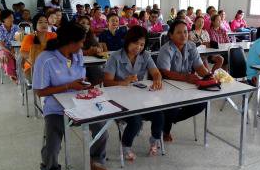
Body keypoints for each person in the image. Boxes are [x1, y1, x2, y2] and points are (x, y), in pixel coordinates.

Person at [33, 23, 109, 170]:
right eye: (81, 41)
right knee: (52, 144)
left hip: (80, 103)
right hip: (56, 108)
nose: (83, 45)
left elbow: (79, 76)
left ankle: (95, 160)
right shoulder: (45, 59)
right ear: (70, 42)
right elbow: (40, 91)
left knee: (102, 129)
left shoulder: (78, 54)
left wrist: (84, 83)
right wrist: (69, 85)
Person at [103, 26, 164, 160]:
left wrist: (157, 79)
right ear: (128, 41)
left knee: (159, 113)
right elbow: (106, 82)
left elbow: (156, 72)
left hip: (139, 98)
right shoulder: (115, 57)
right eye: (135, 43)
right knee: (135, 120)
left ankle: (154, 139)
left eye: (142, 44)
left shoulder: (145, 55)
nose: (139, 47)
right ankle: (126, 146)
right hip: (119, 100)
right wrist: (122, 82)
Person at [157, 20, 208, 141]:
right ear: (171, 35)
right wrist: (186, 77)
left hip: (186, 85)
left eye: (185, 32)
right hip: (168, 85)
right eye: (179, 32)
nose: (183, 35)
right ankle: (166, 127)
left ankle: (167, 120)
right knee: (173, 106)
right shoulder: (166, 49)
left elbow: (199, 66)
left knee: (202, 103)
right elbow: (165, 72)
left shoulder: (191, 46)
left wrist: (208, 76)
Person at [20, 14, 56, 80]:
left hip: (51, 66)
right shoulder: (29, 37)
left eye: (46, 22)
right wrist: (35, 57)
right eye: (40, 22)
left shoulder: (53, 35)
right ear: (35, 25)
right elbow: (23, 53)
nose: (44, 24)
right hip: (32, 68)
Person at [78, 15, 107, 85]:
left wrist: (97, 49)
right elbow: (73, 52)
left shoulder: (91, 35)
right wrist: (87, 52)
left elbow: (99, 47)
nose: (85, 25)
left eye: (88, 24)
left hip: (91, 63)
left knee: (101, 71)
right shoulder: (73, 36)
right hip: (78, 64)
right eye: (83, 23)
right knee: (95, 71)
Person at [0, 9, 20, 82]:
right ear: (3, 19)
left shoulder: (16, 28)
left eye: (12, 17)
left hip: (15, 47)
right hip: (4, 49)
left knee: (20, 56)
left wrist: (13, 50)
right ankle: (12, 74)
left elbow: (18, 41)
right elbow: (1, 45)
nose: (12, 19)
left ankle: (20, 74)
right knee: (5, 57)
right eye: (9, 18)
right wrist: (10, 52)